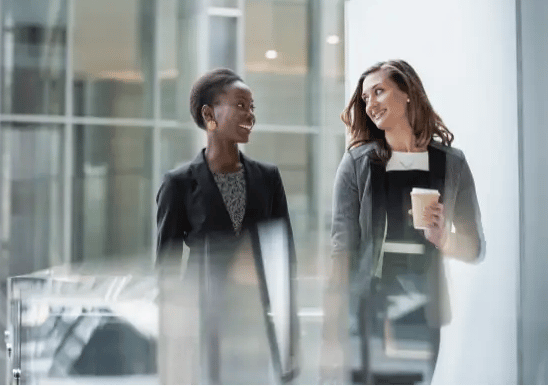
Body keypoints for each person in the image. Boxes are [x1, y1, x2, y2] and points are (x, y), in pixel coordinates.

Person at [320, 59, 486, 384]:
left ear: (407, 92)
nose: (370, 104)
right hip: (367, 314)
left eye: (379, 91)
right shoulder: (356, 164)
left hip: (421, 319)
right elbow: (342, 252)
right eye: (365, 98)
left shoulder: (452, 164)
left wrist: (444, 239)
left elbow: (475, 248)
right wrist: (331, 332)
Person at [156, 68, 299, 384]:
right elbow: (165, 271)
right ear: (209, 114)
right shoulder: (178, 184)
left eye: (252, 107)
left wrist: (291, 343)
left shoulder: (268, 178)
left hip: (256, 326)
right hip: (203, 326)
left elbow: (284, 261)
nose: (250, 114)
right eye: (240, 105)